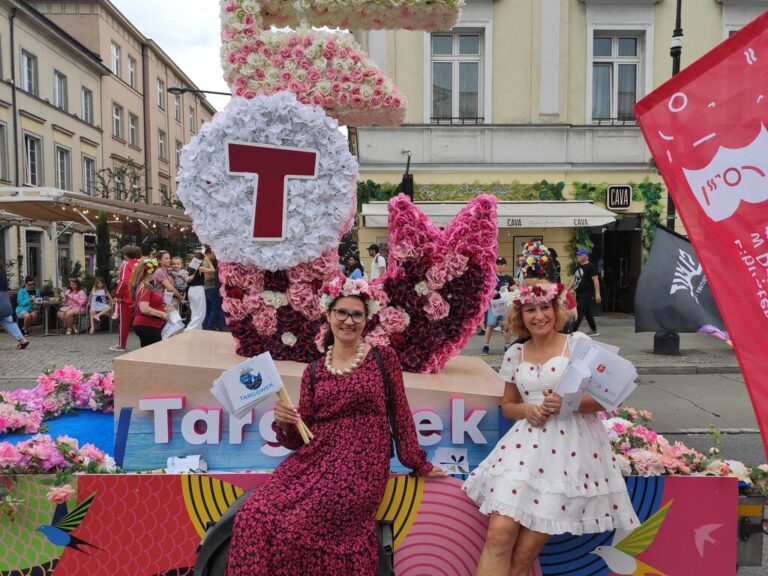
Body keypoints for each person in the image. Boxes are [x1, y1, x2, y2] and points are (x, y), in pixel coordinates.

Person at [226, 276, 446, 575]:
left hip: (361, 462)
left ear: (366, 319)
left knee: (297, 525)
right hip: (315, 458)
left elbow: (401, 414)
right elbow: (300, 440)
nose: (348, 320)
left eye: (357, 314)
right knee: (255, 514)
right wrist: (285, 422)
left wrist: (417, 462)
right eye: (341, 312)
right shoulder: (314, 371)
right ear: (328, 315)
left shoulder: (384, 358)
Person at [463, 279, 639, 576]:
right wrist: (526, 409)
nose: (539, 316)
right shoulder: (514, 354)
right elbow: (508, 406)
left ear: (556, 310)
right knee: (499, 533)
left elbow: (607, 397)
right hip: (523, 449)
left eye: (545, 307)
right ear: (520, 316)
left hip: (569, 452)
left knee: (523, 555)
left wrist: (567, 404)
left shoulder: (580, 345)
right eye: (530, 309)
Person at [129, 258, 168, 347]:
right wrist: (161, 313)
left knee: (147, 354)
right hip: (148, 325)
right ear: (149, 273)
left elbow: (148, 305)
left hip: (148, 325)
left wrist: (161, 308)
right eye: (154, 272)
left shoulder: (145, 286)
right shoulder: (145, 287)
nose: (155, 274)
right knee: (154, 354)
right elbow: (144, 309)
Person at [482, 257, 514, 356]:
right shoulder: (491, 277)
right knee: (490, 325)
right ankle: (486, 346)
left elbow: (513, 288)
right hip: (494, 304)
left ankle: (507, 346)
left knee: (506, 325)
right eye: (498, 264)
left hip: (505, 305)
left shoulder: (509, 278)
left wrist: (512, 287)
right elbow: (485, 291)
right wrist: (493, 292)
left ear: (505, 265)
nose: (500, 266)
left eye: (502, 264)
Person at [112, 245, 141, 352]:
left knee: (124, 322)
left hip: (127, 297)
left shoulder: (126, 265)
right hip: (140, 296)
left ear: (125, 255)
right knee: (141, 320)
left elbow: (124, 281)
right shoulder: (141, 264)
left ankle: (121, 344)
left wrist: (118, 295)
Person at [568, 248, 601, 336]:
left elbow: (596, 281)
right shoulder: (577, 267)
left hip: (587, 293)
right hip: (579, 293)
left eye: (579, 255)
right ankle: (594, 330)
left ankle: (572, 331)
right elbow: (573, 280)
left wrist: (597, 294)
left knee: (579, 312)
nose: (577, 256)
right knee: (587, 312)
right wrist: (567, 290)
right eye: (577, 255)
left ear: (585, 256)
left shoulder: (591, 267)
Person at [0, 268, 30, 349]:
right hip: (3, 299)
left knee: (7, 321)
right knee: (8, 321)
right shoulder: (1, 271)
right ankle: (22, 340)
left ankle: (22, 340)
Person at [185, 252, 211, 330]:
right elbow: (212, 270)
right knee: (200, 313)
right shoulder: (200, 268)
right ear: (202, 259)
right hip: (198, 289)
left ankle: (196, 331)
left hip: (191, 290)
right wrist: (208, 260)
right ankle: (188, 330)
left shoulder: (189, 267)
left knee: (195, 312)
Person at [203, 247, 224, 331]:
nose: (215, 255)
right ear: (209, 253)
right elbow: (207, 277)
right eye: (214, 253)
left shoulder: (209, 261)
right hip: (210, 288)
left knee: (209, 308)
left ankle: (206, 325)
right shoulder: (206, 263)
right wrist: (217, 277)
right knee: (216, 307)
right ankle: (210, 325)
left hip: (208, 288)